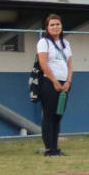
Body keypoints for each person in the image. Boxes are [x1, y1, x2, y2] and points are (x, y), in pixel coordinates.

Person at [34, 14, 74, 157]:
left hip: (65, 83)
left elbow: (69, 64)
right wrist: (55, 82)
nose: (55, 27)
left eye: (58, 24)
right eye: (52, 25)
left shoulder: (66, 43)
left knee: (58, 115)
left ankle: (56, 148)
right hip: (49, 82)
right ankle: (49, 149)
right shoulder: (44, 42)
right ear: (47, 27)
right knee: (49, 115)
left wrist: (68, 81)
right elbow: (43, 63)